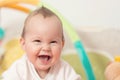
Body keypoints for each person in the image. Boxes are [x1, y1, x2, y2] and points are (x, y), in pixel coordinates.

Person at [1, 6, 81, 80]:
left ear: (62, 45)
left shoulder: (64, 69)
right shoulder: (20, 68)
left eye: (53, 42)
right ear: (23, 44)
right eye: (37, 41)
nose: (46, 48)